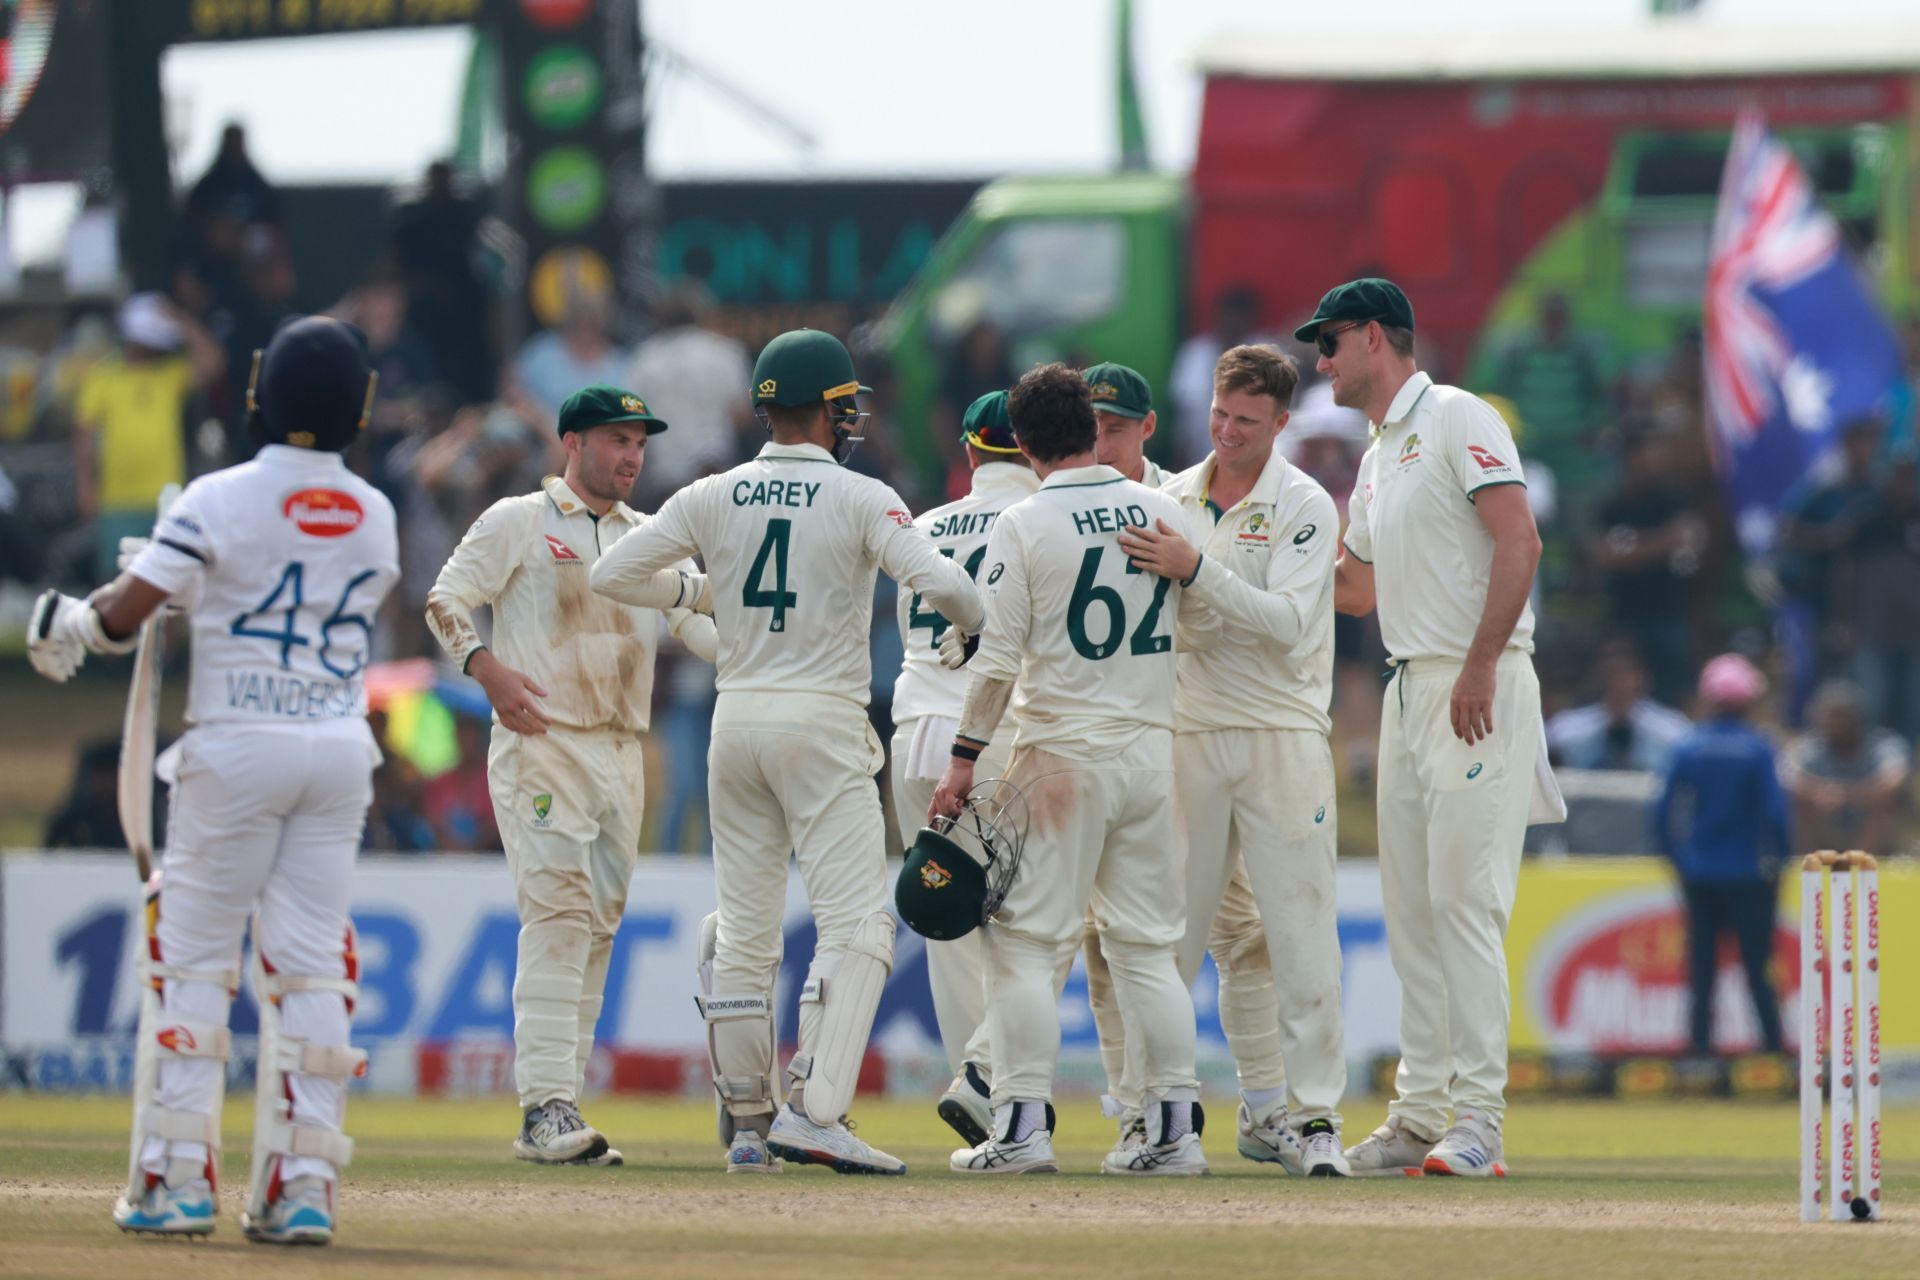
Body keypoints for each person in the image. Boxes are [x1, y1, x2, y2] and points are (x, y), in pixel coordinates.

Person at [28, 317, 399, 1244]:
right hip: (338, 747)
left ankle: (177, 1180)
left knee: (192, 959)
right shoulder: (377, 512)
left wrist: (68, 623)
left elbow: (126, 616)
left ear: (259, 395)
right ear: (360, 405)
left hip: (237, 742)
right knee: (313, 965)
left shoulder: (215, 498)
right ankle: (304, 1185)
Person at [589, 329, 981, 1176]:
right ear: (831, 408)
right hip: (825, 723)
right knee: (860, 929)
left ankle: (749, 1125)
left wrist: (697, 595)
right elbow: (944, 584)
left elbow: (611, 575)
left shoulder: (712, 492)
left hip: (738, 722)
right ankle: (817, 1111)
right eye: (846, 406)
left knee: (744, 933)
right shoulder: (862, 496)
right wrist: (981, 626)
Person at [930, 362, 1219, 1177]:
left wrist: (962, 760)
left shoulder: (1022, 524)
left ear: (1023, 445)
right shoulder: (1162, 510)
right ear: (1094, 430)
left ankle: (1020, 1129)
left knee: (1024, 947)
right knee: (1146, 952)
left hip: (1059, 755)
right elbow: (1198, 620)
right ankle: (1174, 1134)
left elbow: (995, 661)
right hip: (1148, 753)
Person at [424, 385, 716, 1166]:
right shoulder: (520, 520)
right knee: (558, 911)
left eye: (639, 445)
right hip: (541, 739)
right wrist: (489, 672)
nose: (631, 456)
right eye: (616, 441)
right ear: (574, 443)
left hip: (624, 751)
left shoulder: (649, 536)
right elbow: (446, 600)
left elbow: (698, 620)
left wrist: (771, 655)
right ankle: (542, 1107)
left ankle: (563, 1105)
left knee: (597, 926)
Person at [1320, 278, 1557, 1178]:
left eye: (1332, 341)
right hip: (1411, 687)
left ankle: (1479, 1119)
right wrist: (1222, 565)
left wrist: (1480, 664)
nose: (1322, 360)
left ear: (1375, 336)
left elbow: (1520, 541)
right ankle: (1418, 1116)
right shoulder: (1377, 455)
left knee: (1464, 904)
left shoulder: (1458, 416)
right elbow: (1355, 590)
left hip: (1476, 684)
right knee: (1413, 912)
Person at [1116, 343, 1349, 1176]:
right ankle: (1154, 1116)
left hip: (1282, 732)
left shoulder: (1307, 504)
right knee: (1166, 936)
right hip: (1190, 730)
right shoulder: (1170, 495)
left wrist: (1195, 570)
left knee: (1301, 929)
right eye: (1220, 414)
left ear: (1282, 423)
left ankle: (1316, 1117)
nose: (1229, 430)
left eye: (1248, 422)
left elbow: (1287, 624)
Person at [885, 389, 1038, 1145]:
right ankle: (990, 1086)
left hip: (914, 733)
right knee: (1023, 925)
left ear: (971, 453)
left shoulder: (927, 523)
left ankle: (975, 1085)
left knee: (947, 924)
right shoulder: (1040, 520)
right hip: (993, 737)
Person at [1653, 655, 1790, 1055]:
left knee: (1702, 964)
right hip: (1748, 873)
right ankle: (1772, 1047)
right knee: (1758, 964)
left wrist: (1675, 858)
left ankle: (1698, 1049)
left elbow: (1662, 809)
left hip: (1699, 871)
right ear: (1749, 700)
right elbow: (1775, 813)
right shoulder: (1759, 748)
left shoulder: (1689, 746)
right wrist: (1779, 860)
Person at [74, 293, 226, 578]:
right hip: (117, 500)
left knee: (171, 577)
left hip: (165, 497)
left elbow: (213, 362)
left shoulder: (169, 374)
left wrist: (181, 320)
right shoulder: (104, 377)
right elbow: (84, 435)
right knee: (116, 577)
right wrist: (85, 485)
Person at [1589, 431, 1708, 708]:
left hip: (1669, 614)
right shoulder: (1613, 506)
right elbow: (1603, 555)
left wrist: (1633, 551)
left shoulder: (1675, 500)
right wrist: (1662, 543)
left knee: (1670, 695)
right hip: (1623, 615)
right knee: (1616, 691)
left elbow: (1689, 540)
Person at [625, 282, 755, 501]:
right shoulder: (725, 352)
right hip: (716, 473)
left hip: (666, 482)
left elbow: (633, 422)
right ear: (700, 313)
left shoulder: (644, 359)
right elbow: (741, 417)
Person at [1781, 679, 1912, 858]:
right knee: (1798, 803)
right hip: (1826, 825)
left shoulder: (1882, 744)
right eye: (1829, 717)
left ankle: (1858, 865)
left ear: (1858, 717)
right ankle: (1810, 865)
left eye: (1842, 717)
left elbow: (1895, 778)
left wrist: (1852, 795)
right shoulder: (1809, 746)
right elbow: (1786, 776)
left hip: (1868, 825)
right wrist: (1819, 793)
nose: (1836, 724)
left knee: (1885, 802)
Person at [1545, 642, 1692, 774]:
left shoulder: (1672, 729)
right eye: (1611, 672)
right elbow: (1553, 740)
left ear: (1641, 676)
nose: (1618, 681)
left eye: (1625, 671)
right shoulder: (1566, 729)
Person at [1170, 285, 1272, 465]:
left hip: (1251, 458)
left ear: (1251, 320)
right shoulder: (1195, 352)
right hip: (1198, 453)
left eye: (1240, 318)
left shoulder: (1268, 355)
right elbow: (1182, 412)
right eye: (1229, 316)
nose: (1233, 323)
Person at [1086, 360, 1170, 487]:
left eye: (1115, 431)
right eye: (1088, 430)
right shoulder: (1052, 500)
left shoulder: (1181, 499)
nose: (1100, 448)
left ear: (1148, 426)